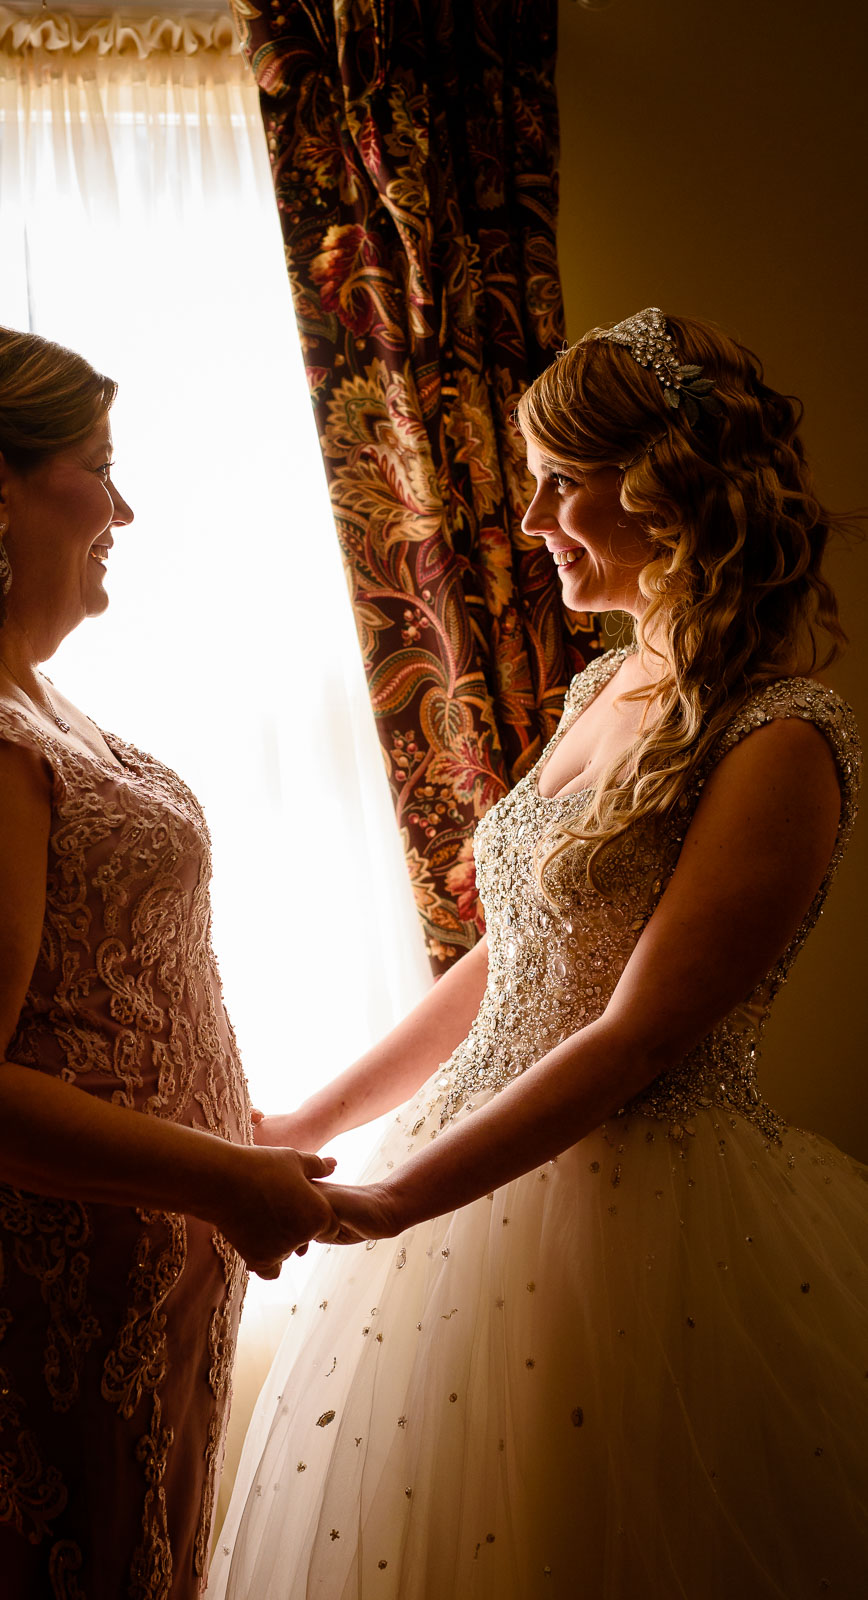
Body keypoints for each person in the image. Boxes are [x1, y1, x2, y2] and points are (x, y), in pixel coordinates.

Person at [210, 309, 868, 1599]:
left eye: (560, 483)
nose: (530, 524)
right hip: (484, 1172)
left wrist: (397, 1200)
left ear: (663, 481)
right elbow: (502, 961)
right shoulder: (600, 688)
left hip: (660, 1224)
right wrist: (308, 1123)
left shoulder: (781, 738)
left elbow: (636, 1038)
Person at [0, 306, 338, 1600]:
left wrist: (233, 1150)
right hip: (27, 1276)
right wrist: (222, 1179)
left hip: (120, 1269)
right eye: (97, 465)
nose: (124, 510)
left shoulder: (5, 688)